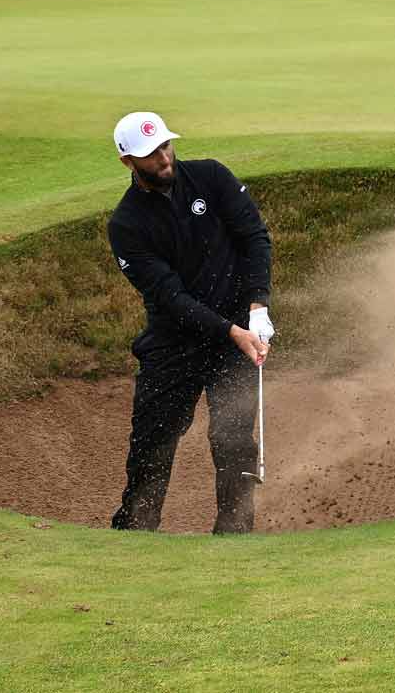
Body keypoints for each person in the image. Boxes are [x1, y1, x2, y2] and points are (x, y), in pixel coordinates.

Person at [106, 112, 274, 535]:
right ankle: (136, 534)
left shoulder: (211, 178)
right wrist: (233, 331)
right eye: (150, 154)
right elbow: (171, 298)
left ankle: (234, 535)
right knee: (151, 446)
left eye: (165, 146)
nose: (164, 158)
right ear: (128, 161)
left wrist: (258, 309)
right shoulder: (127, 224)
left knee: (234, 441)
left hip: (234, 339)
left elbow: (254, 238)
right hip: (173, 344)